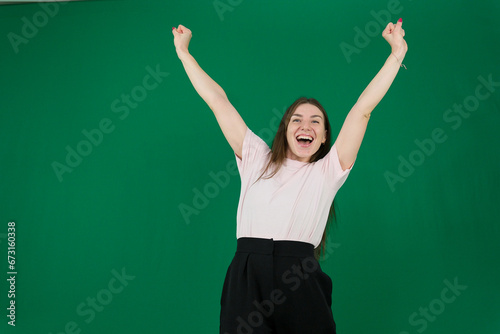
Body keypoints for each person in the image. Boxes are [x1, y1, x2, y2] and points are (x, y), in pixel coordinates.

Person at [173, 18, 407, 334]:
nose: (305, 126)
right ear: (285, 129)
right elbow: (218, 101)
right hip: (247, 272)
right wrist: (185, 53)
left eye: (315, 122)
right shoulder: (257, 157)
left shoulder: (329, 170)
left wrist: (396, 54)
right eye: (296, 119)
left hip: (299, 273)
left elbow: (363, 109)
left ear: (325, 136)